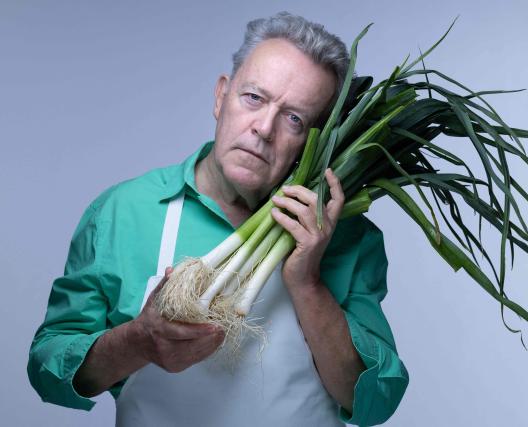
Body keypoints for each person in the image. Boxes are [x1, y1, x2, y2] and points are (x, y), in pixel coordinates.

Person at [28, 12, 408, 427]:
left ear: (316, 144)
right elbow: (48, 371)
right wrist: (138, 341)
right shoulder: (123, 212)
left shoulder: (348, 239)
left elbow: (375, 401)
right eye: (254, 98)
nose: (264, 128)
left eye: (294, 118)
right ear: (220, 96)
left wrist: (307, 283)